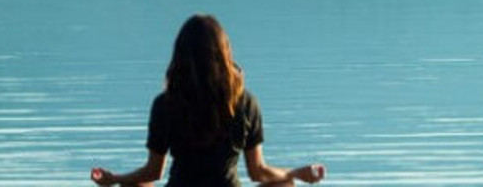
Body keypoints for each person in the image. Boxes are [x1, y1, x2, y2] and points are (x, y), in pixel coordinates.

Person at [90, 14, 326, 187]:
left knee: (134, 185)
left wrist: (115, 179)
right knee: (283, 184)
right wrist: (295, 173)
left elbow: (153, 172)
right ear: (224, 54)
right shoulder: (245, 102)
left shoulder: (165, 104)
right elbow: (258, 172)